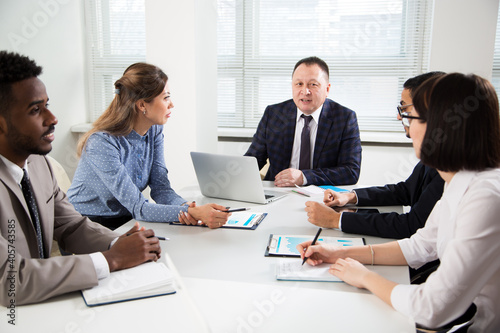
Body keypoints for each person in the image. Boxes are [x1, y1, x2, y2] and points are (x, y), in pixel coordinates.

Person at [298, 73, 500, 332]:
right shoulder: (459, 181)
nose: (405, 125)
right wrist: (337, 253)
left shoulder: (485, 196)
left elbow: (431, 309)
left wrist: (365, 278)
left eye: (409, 116)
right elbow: (420, 246)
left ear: (442, 126)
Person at [0, 51, 161, 306]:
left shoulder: (38, 163)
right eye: (35, 110)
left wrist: (119, 243)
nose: (52, 119)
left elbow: (71, 226)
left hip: (37, 306)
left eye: (47, 105)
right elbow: (11, 281)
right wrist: (111, 259)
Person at [67, 62, 229, 230]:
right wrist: (192, 213)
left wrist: (188, 208)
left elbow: (161, 189)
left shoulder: (154, 130)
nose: (171, 104)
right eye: (166, 97)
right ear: (142, 105)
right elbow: (140, 208)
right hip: (86, 223)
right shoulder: (102, 143)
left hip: (126, 218)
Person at [304, 72, 445, 240]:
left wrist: (336, 219)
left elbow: (411, 225)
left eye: (404, 108)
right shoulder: (434, 154)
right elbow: (405, 191)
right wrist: (350, 196)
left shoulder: (447, 168)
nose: (400, 116)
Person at [244, 56, 361, 187]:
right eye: (299, 84)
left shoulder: (345, 118)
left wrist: (304, 177)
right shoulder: (274, 114)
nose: (305, 92)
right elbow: (253, 161)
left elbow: (351, 172)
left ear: (327, 89)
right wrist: (227, 176)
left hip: (320, 196)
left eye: (313, 84)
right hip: (277, 192)